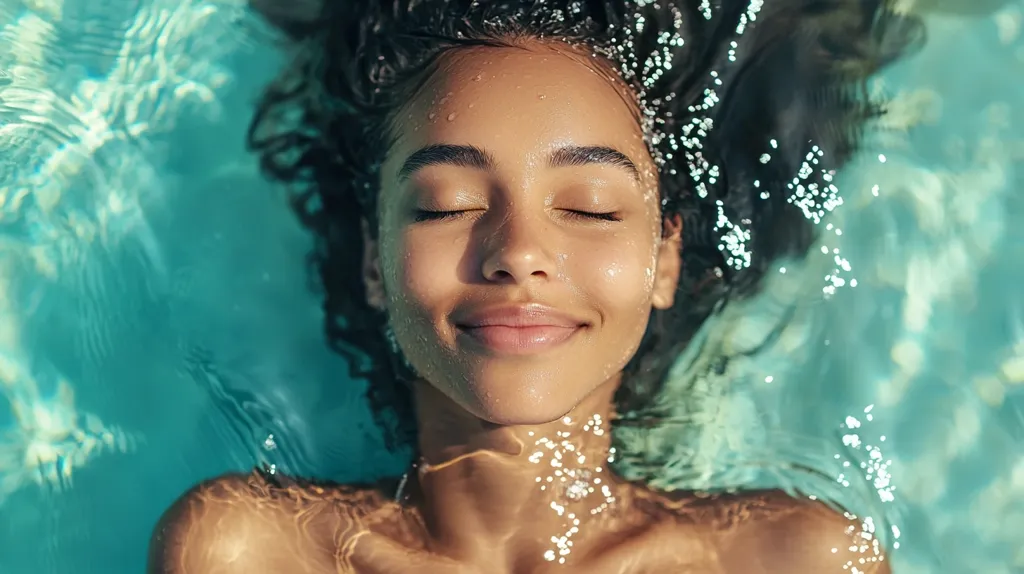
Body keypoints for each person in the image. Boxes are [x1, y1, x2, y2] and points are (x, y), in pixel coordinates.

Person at [148, 0, 922, 572]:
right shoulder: (242, 549)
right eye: (446, 204)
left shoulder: (798, 560)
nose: (519, 253)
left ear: (664, 261)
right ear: (374, 262)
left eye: (589, 208)